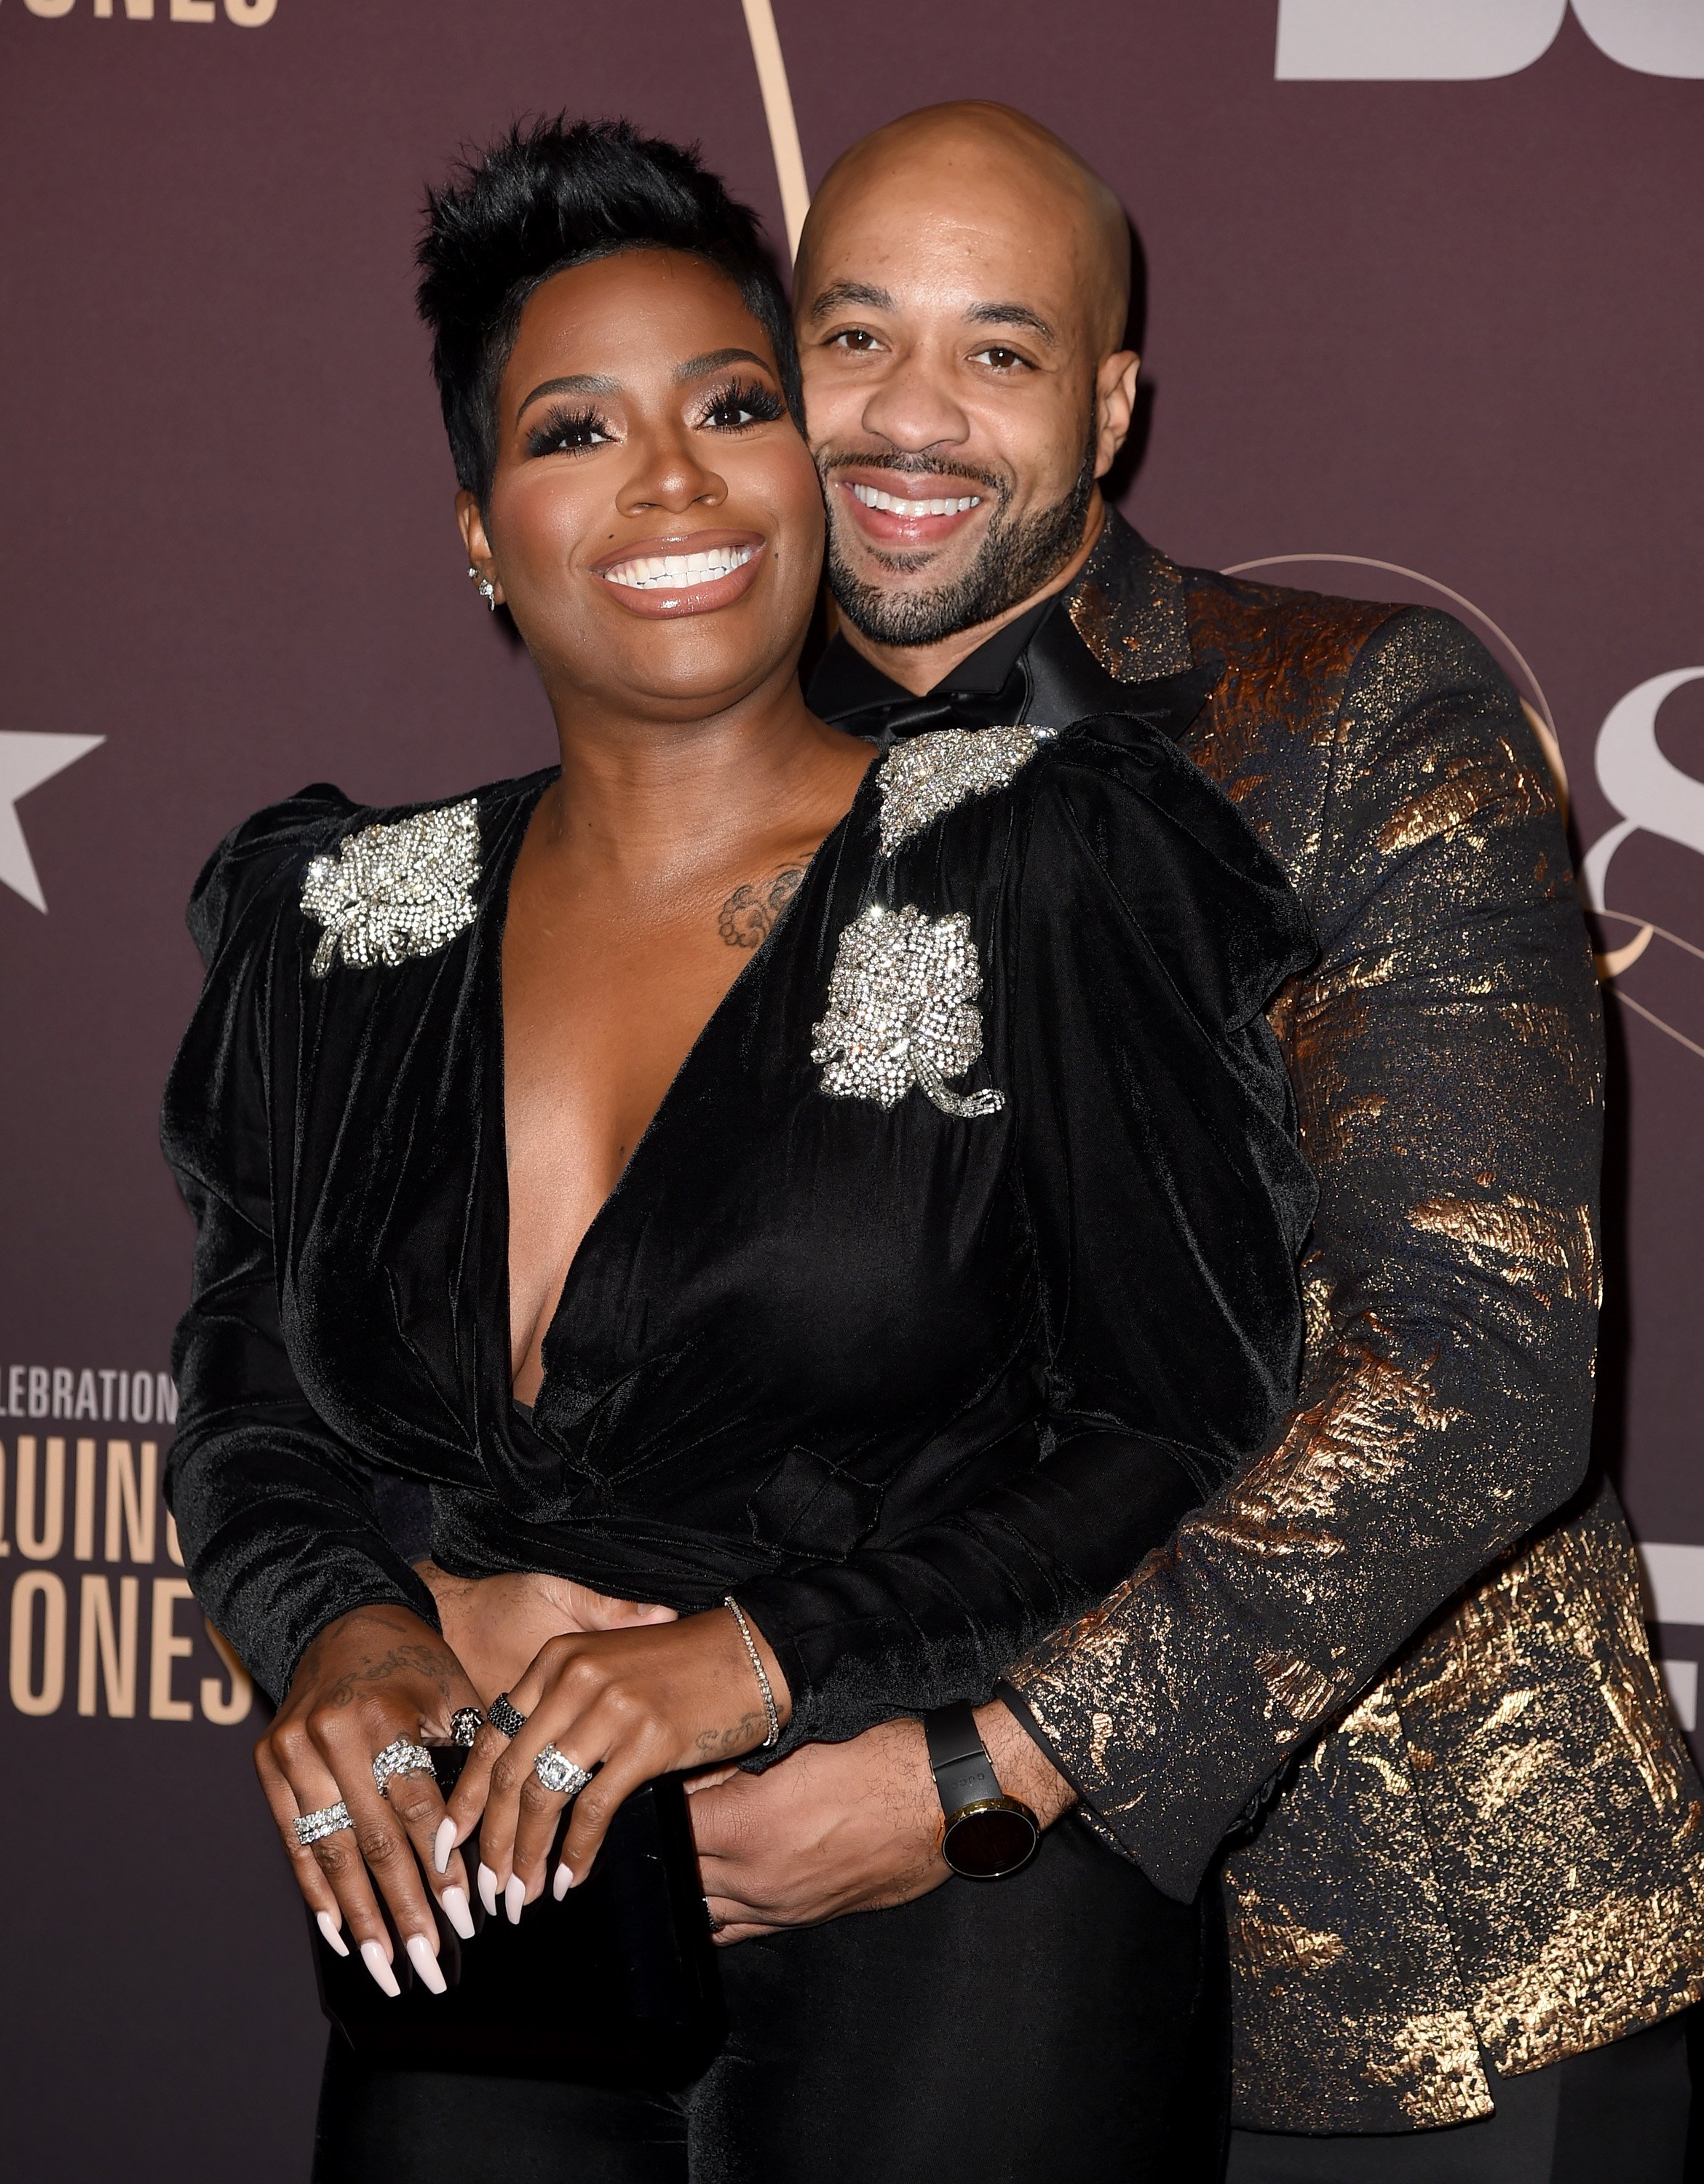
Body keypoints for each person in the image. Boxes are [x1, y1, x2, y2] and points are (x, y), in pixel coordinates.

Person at [160, 116, 1320, 2182]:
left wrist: (758, 1658)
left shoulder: (1047, 857)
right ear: (476, 524)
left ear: (808, 467)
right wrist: (335, 1630)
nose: (673, 478)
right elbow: (254, 1371)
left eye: (733, 403)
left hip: (953, 1906)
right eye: (574, 428)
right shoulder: (341, 921)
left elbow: (1180, 1418)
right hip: (498, 1894)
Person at [681, 102, 1704, 2181]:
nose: (912, 417)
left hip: (1404, 1973)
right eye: (858, 336)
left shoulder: (1359, 722)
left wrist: (996, 1764)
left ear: (1113, 403)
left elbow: (1476, 1351)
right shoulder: (684, 776)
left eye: (1000, 351)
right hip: (835, 1984)